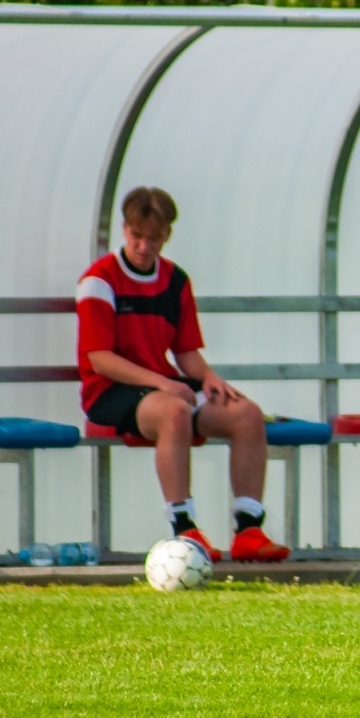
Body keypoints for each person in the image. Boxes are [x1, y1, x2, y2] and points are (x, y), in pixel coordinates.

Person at [75, 187, 290, 563]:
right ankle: (184, 530)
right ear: (124, 230)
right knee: (174, 412)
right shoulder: (99, 279)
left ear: (167, 235)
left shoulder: (175, 280)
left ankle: (249, 531)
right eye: (137, 236)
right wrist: (163, 382)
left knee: (247, 413)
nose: (143, 246)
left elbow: (186, 352)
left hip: (164, 387)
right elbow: (99, 360)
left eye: (153, 238)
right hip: (110, 392)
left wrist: (208, 378)